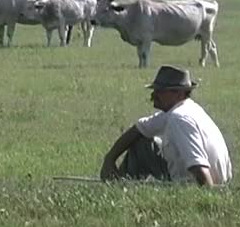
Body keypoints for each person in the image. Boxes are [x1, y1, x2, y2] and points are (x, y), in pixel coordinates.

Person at [99, 65, 232, 186]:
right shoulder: (184, 109)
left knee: (142, 148)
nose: (153, 95)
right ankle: (117, 183)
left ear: (179, 93)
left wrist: (210, 199)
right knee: (145, 143)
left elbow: (198, 166)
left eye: (160, 91)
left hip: (198, 184)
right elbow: (139, 128)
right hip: (212, 181)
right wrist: (109, 160)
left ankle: (119, 187)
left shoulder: (179, 118)